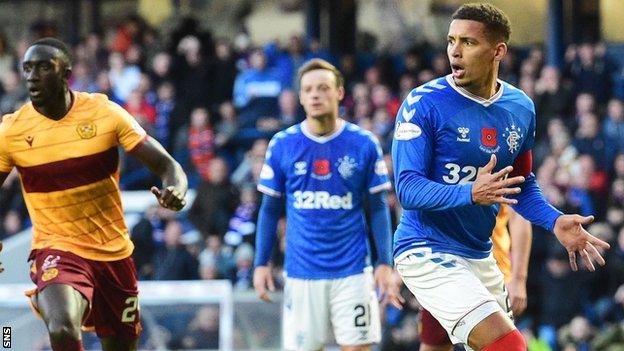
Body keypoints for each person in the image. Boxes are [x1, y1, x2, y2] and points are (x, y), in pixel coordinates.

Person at [391, 4, 610, 351]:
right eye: (451, 41)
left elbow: (520, 183)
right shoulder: (423, 103)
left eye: (468, 42)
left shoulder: (520, 107)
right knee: (509, 346)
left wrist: (554, 221)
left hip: (479, 254)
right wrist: (469, 193)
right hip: (425, 248)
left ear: (498, 51)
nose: (455, 51)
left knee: (436, 344)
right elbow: (407, 189)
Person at [0, 38, 187, 351]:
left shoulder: (105, 114)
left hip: (113, 253)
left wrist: (176, 188)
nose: (32, 76)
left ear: (66, 74)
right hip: (55, 247)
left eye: (44, 67)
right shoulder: (12, 131)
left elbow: (167, 165)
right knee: (61, 328)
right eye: (28, 68)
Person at [253, 58, 403, 351]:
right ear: (300, 97)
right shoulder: (283, 144)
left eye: (323, 88)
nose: (315, 95)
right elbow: (269, 210)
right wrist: (261, 263)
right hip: (300, 273)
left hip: (353, 271)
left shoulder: (364, 143)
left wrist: (385, 262)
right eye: (308, 89)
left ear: (339, 93)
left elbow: (378, 208)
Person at [419, 205, 532, 351]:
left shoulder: (504, 181)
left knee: (499, 344)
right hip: (444, 268)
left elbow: (519, 215)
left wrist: (519, 278)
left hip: (489, 273)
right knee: (434, 344)